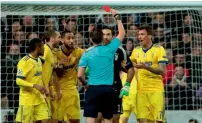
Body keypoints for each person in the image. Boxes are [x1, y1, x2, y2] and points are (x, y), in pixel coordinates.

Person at [78, 9, 126, 123]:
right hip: (108, 90)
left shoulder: (87, 53)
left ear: (90, 40)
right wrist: (117, 18)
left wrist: (85, 85)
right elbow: (122, 34)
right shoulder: (110, 49)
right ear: (102, 39)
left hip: (93, 89)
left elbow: (79, 75)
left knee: (90, 118)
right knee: (108, 118)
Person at [130, 25, 168, 123]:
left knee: (159, 120)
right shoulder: (136, 50)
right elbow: (129, 67)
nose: (139, 37)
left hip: (156, 90)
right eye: (139, 34)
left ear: (150, 36)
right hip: (141, 91)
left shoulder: (159, 49)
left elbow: (162, 71)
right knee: (143, 120)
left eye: (142, 34)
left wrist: (146, 67)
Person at [96, 26, 135, 123]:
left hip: (115, 88)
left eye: (108, 34)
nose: (105, 37)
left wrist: (127, 85)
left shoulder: (120, 50)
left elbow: (130, 69)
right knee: (98, 117)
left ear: (112, 36)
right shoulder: (95, 50)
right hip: (99, 88)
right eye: (103, 34)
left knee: (115, 119)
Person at [15, 38, 49, 123]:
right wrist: (34, 85)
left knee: (45, 119)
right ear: (37, 48)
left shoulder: (39, 60)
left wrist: (45, 87)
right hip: (27, 100)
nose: (44, 49)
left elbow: (39, 76)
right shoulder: (24, 61)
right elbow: (18, 81)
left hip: (39, 98)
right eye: (43, 47)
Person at [54, 30, 85, 123]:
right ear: (62, 40)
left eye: (73, 38)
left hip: (72, 91)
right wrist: (59, 66)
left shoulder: (77, 51)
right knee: (57, 121)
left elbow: (90, 52)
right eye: (68, 38)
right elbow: (55, 75)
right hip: (58, 91)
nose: (71, 41)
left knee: (75, 120)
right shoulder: (55, 53)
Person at [42, 31, 61, 123]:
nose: (60, 40)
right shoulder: (45, 49)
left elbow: (48, 71)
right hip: (41, 89)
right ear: (52, 39)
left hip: (46, 88)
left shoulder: (50, 50)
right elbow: (38, 67)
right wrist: (44, 87)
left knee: (49, 118)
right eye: (59, 37)